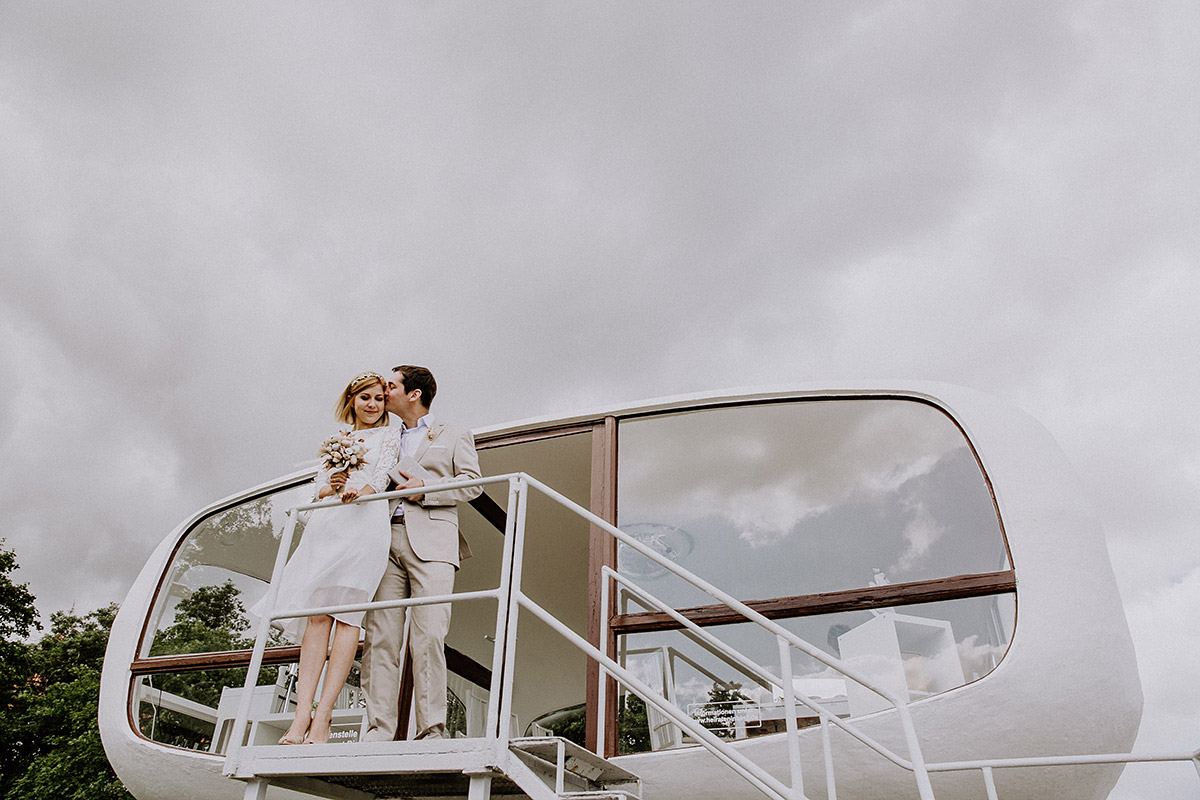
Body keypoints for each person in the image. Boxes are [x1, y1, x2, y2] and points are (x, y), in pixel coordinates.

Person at [254, 371, 399, 745]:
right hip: (328, 526)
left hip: (364, 525)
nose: (372, 405)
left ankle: (324, 717)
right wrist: (329, 486)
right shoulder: (338, 439)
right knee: (317, 617)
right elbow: (317, 484)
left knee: (347, 618)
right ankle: (299, 717)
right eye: (365, 398)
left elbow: (384, 472)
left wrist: (362, 490)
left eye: (379, 399)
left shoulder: (389, 433)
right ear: (351, 400)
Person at [361, 365, 482, 741]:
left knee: (428, 635)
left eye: (391, 386)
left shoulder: (455, 434)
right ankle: (379, 730)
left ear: (414, 394)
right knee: (381, 637)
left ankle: (431, 729)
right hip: (383, 540)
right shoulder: (381, 436)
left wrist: (426, 487)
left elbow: (472, 483)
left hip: (433, 544)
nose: (384, 392)